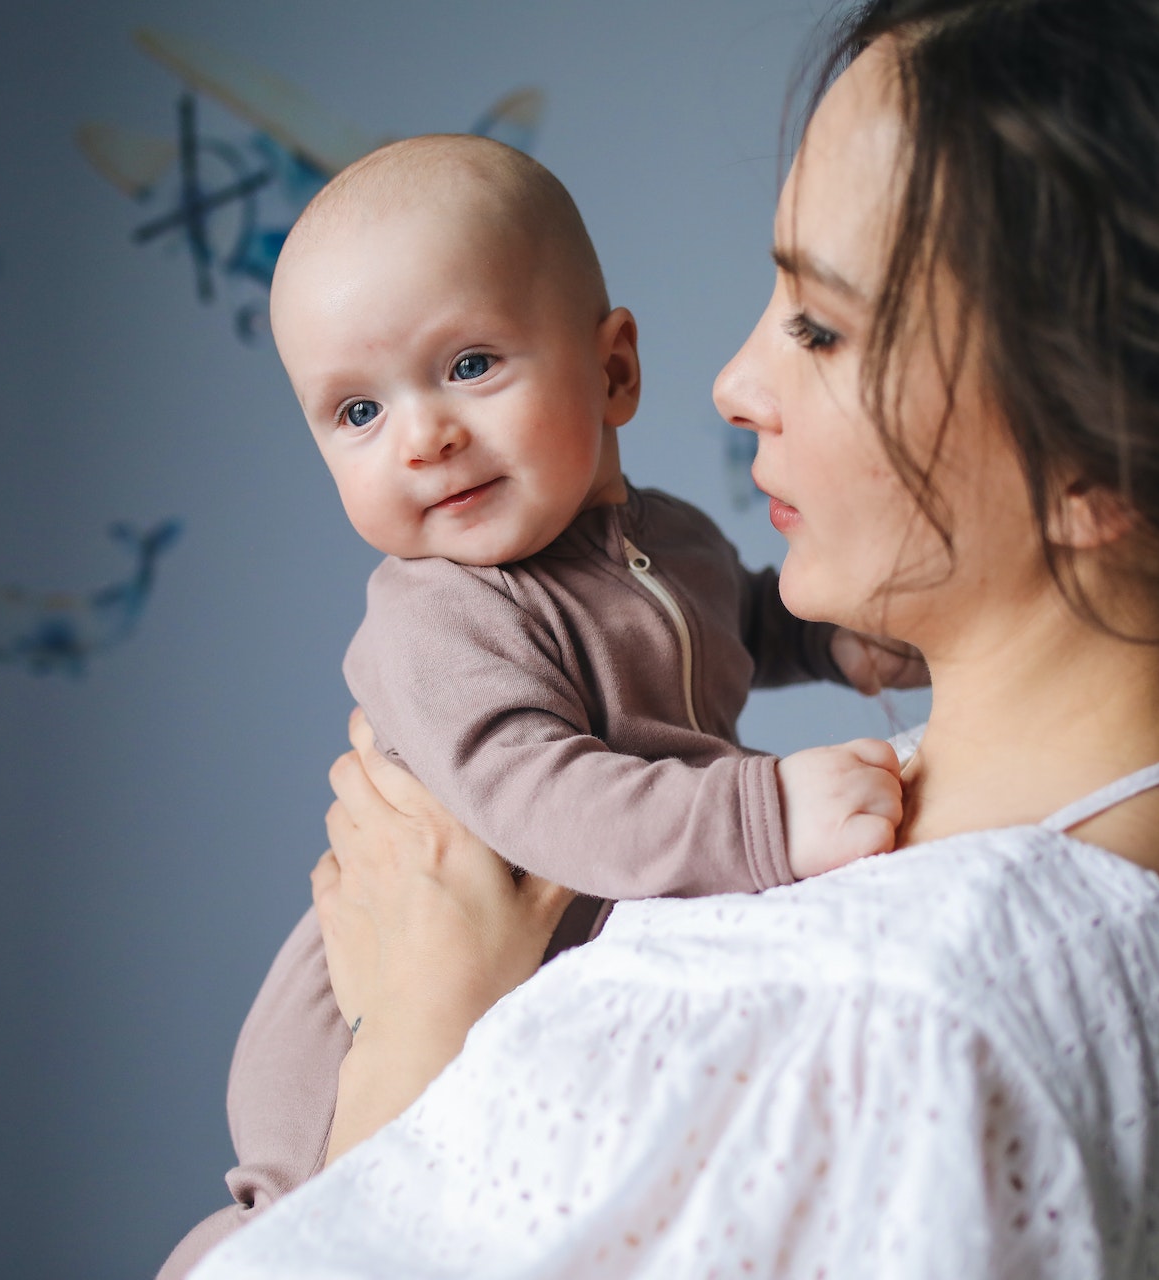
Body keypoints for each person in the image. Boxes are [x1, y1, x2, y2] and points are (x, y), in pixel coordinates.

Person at [185, 0, 1159, 1274]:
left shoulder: (906, 1016)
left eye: (821, 324)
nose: (738, 382)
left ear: (1099, 457)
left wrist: (414, 1050)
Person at [156, 135, 927, 1278]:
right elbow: (537, 797)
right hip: (366, 1014)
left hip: (559, 960)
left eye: (469, 365)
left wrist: (841, 637)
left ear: (613, 370)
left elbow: (733, 631)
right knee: (307, 1216)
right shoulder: (435, 618)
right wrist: (760, 816)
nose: (424, 435)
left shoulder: (668, 538)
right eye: (357, 412)